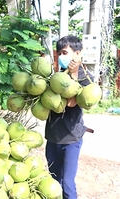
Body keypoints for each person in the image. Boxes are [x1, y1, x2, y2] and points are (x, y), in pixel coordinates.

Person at [45, 35, 94, 199]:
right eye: (59, 53)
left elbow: (72, 102)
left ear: (77, 54)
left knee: (67, 183)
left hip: (71, 139)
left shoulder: (85, 78)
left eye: (65, 52)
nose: (61, 56)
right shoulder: (55, 77)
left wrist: (73, 74)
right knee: (53, 181)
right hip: (52, 137)